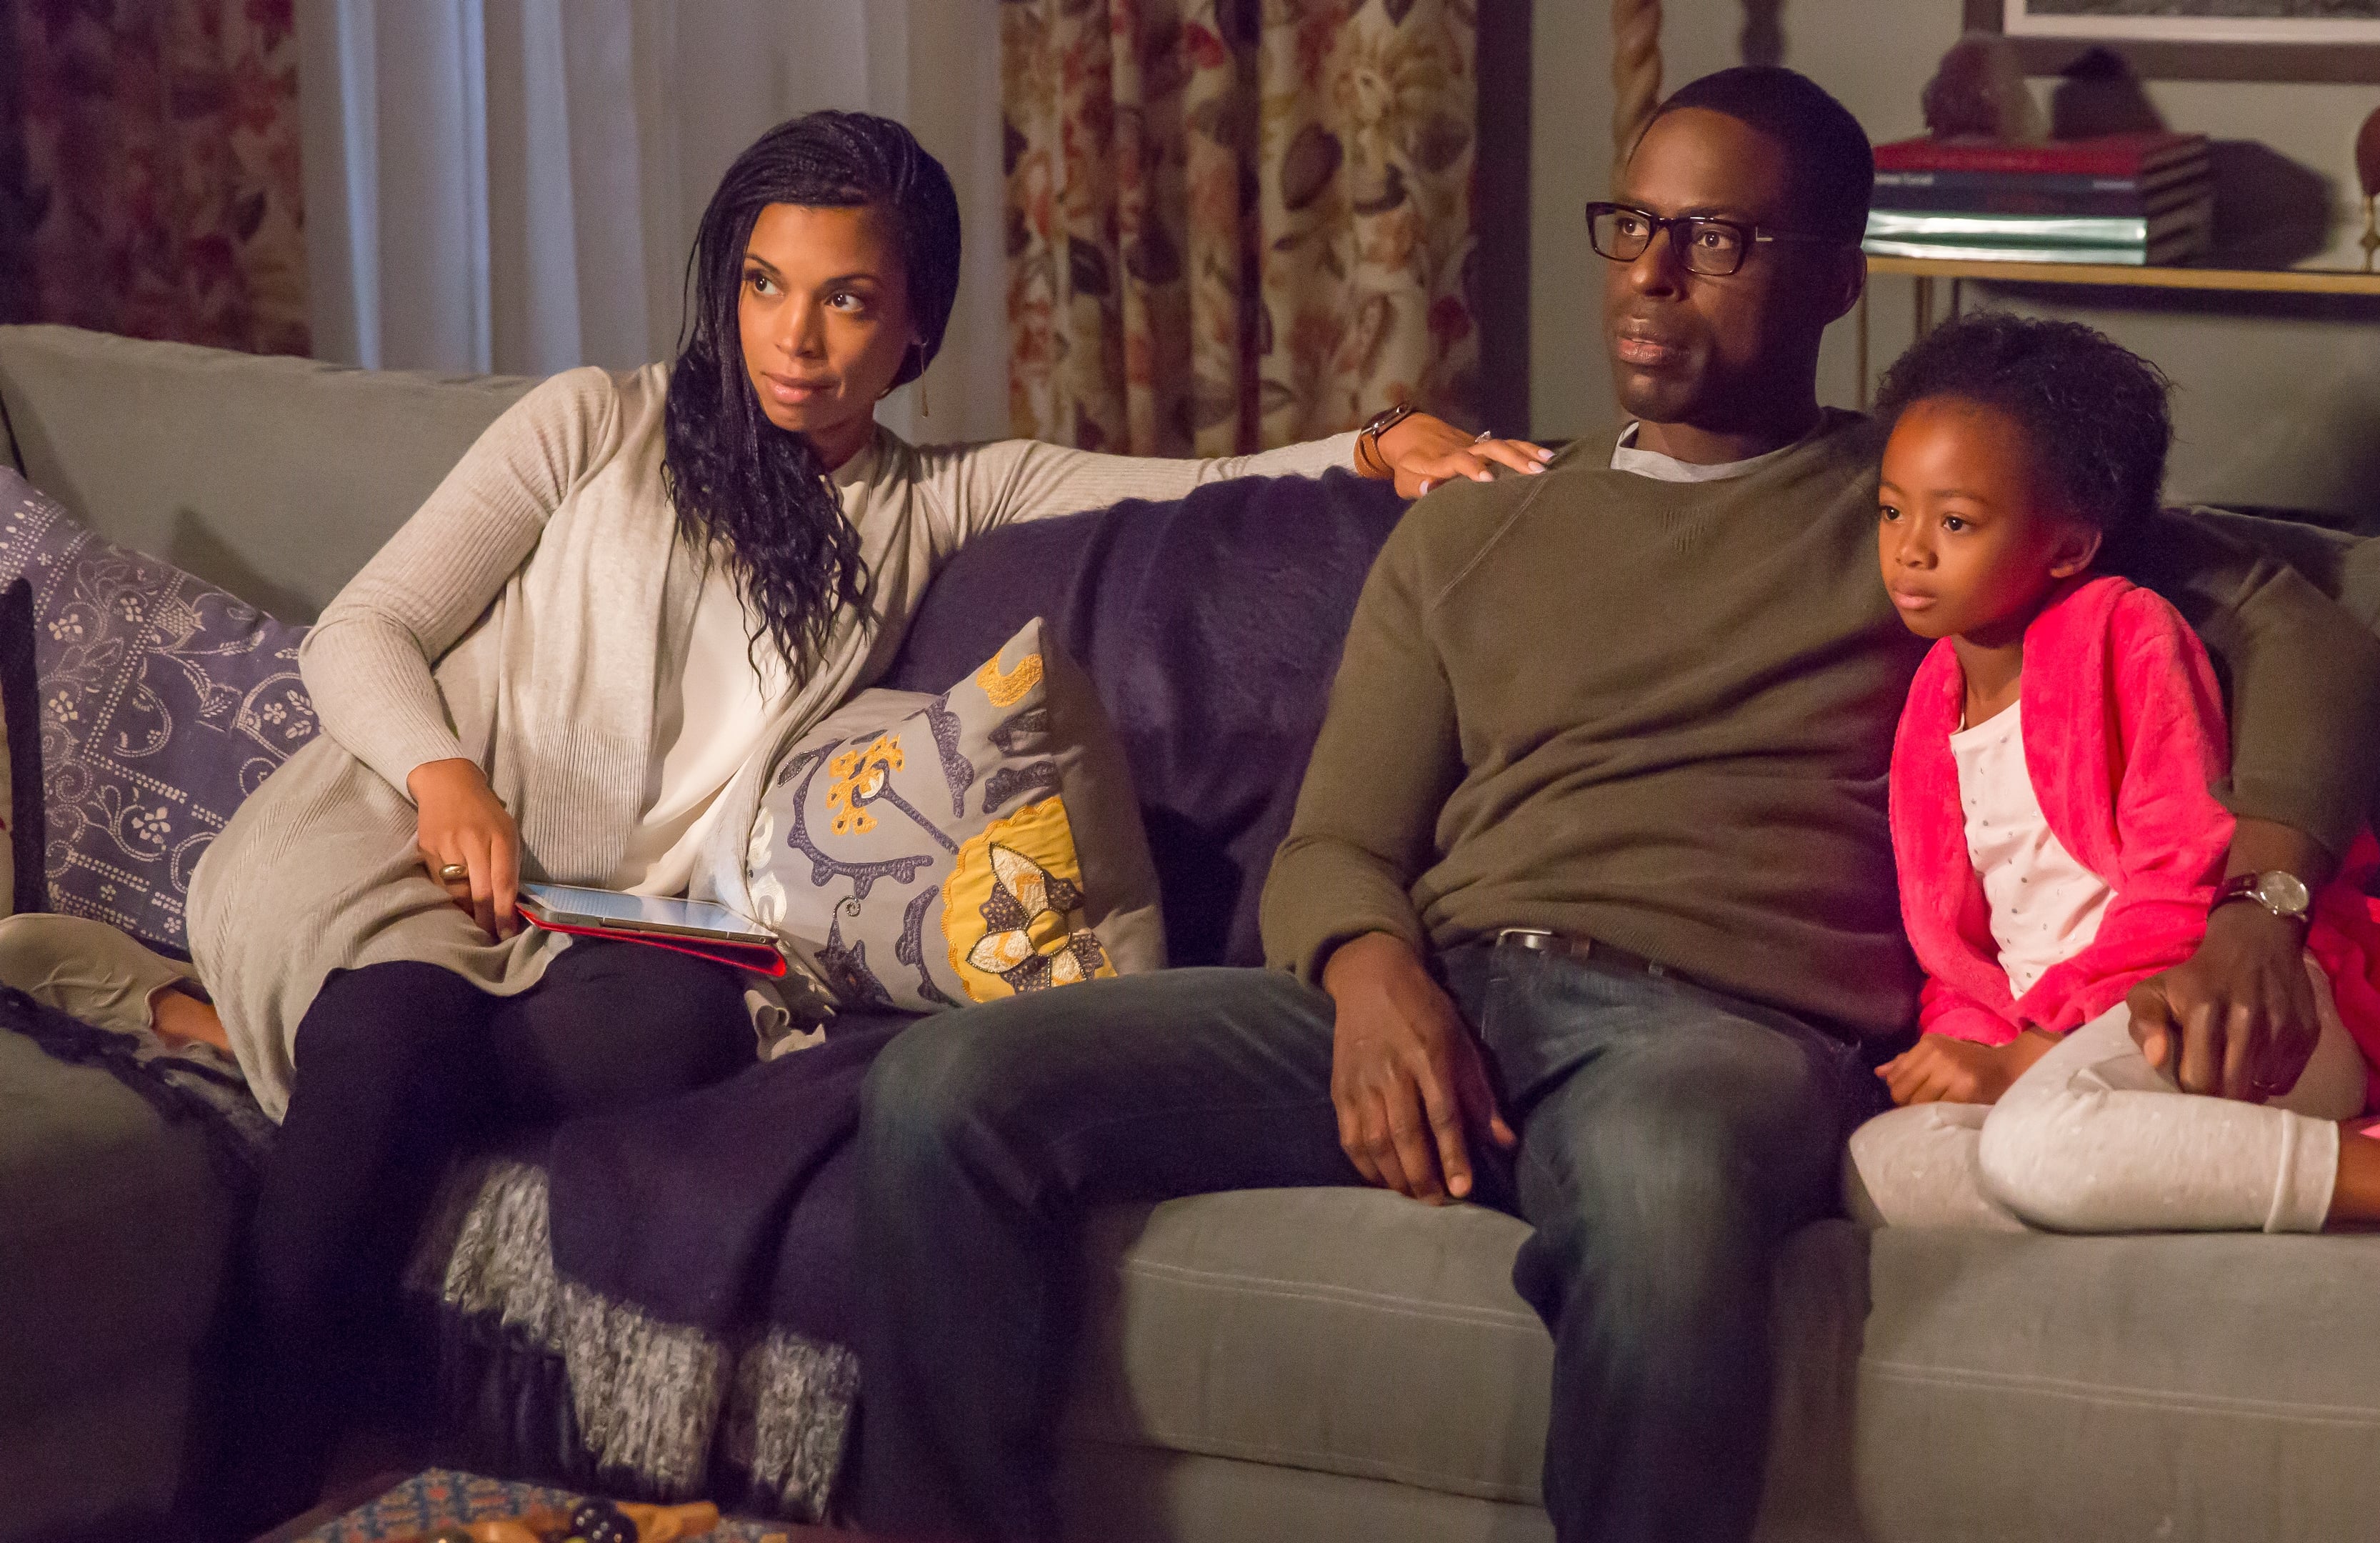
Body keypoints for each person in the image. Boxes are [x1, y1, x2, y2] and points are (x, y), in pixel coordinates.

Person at [849, 68, 2380, 1543]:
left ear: (1835, 281)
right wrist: (1373, 980)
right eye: (1636, 226)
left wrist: (2258, 908)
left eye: (1716, 238)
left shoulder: (1928, 509)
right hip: (1447, 986)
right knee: (945, 1090)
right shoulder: (1478, 530)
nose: (1653, 274)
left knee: (1661, 1189)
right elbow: (1338, 844)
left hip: (1721, 1033)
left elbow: (2312, 641)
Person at [10, 109, 1535, 1530]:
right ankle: (247, 1493)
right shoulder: (592, 423)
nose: (794, 338)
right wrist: (444, 777)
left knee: (681, 1034)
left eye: (847, 301)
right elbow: (365, 630)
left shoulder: (939, 497)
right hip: (408, 836)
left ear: (916, 326)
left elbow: (1200, 480)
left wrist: (1380, 442)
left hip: (609, 928)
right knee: (391, 1033)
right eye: (763, 284)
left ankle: (232, 1041)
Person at [1841, 312, 2380, 1300]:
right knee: (1881, 1170)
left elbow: (2186, 876)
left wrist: (2035, 1057)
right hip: (2064, 1065)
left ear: (2068, 544)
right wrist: (1974, 1049)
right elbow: (1957, 950)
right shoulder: (1927, 705)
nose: (1908, 551)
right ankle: (2239, 1168)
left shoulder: (2124, 636)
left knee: (2037, 1145)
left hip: (2214, 1018)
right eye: (1891, 511)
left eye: (1954, 523)